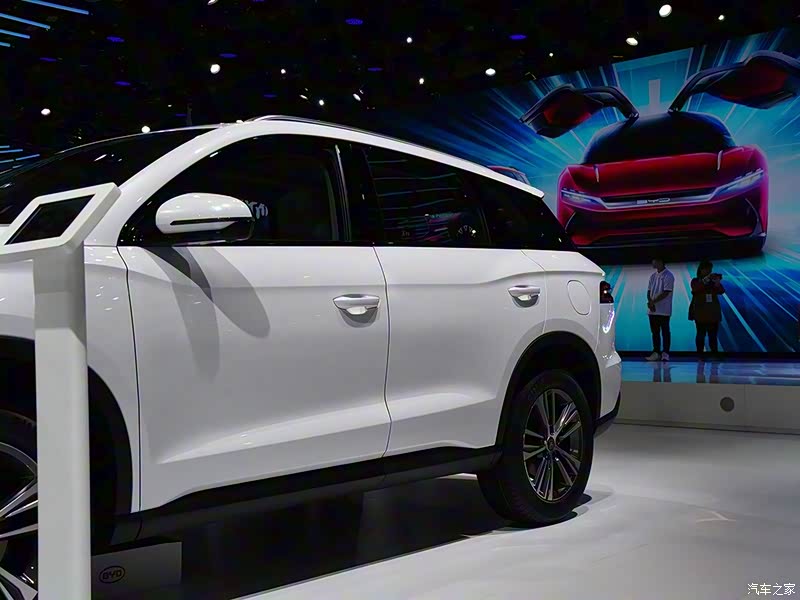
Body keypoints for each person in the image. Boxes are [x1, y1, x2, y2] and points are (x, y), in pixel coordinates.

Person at [690, 260, 725, 359]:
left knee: (713, 335)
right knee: (700, 335)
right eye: (707, 269)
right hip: (700, 312)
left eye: (710, 269)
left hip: (713, 312)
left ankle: (714, 354)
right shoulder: (695, 281)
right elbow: (695, 289)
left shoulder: (712, 281)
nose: (709, 271)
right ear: (701, 270)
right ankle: (700, 354)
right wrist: (706, 279)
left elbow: (721, 291)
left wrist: (717, 283)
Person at [646, 257, 675, 361]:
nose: (653, 262)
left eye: (655, 260)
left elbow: (666, 292)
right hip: (653, 310)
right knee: (655, 333)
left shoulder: (668, 275)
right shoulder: (653, 276)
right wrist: (650, 302)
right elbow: (649, 291)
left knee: (665, 332)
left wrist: (653, 301)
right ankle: (656, 352)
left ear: (660, 261)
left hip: (664, 310)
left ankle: (665, 353)